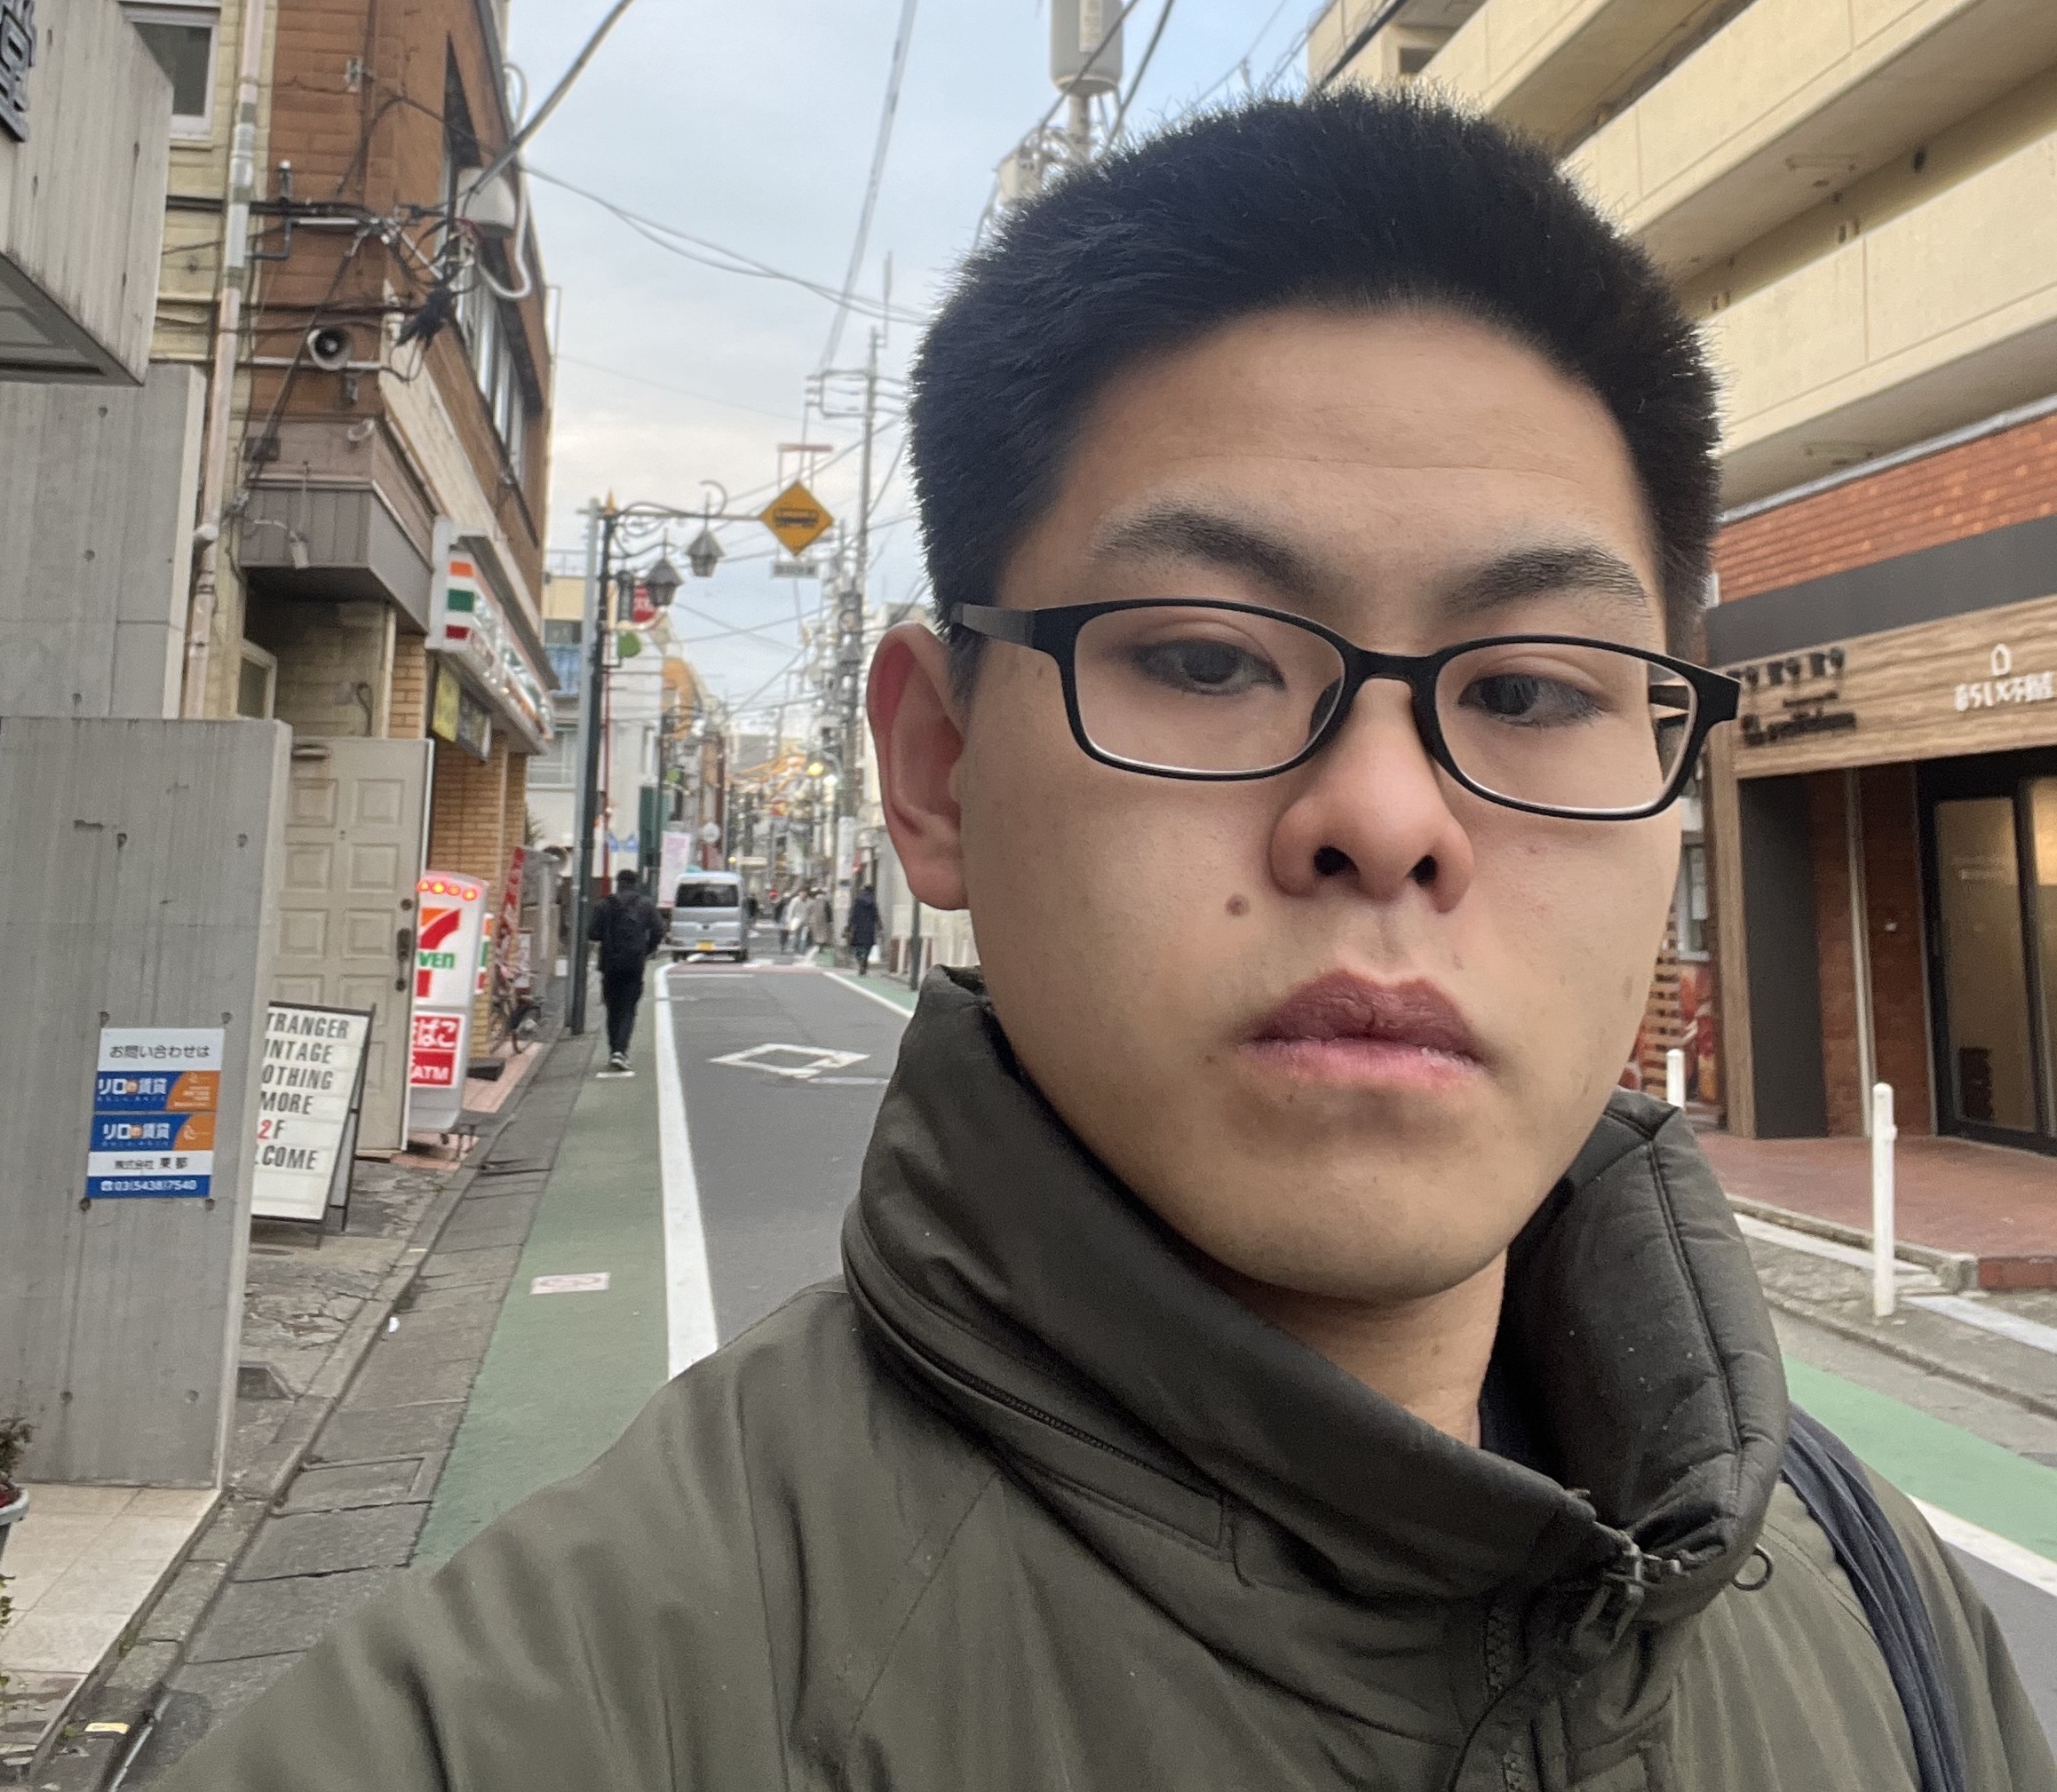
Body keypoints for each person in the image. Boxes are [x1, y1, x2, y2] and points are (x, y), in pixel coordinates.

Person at [172, 93, 2055, 1789]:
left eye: (1533, 687)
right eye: (1211, 657)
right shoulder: (526, 1723)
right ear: (937, 767)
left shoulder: (1886, 1619)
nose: (1385, 812)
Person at [586, 872, 663, 1074]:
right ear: (635, 883)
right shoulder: (645, 904)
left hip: (610, 962)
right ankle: (621, 1051)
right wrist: (646, 949)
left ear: (618, 883)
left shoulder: (604, 905)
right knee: (628, 1008)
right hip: (634, 963)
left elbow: (592, 933)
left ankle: (614, 1050)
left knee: (613, 1008)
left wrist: (608, 935)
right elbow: (659, 930)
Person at [846, 878, 879, 977]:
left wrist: (849, 926)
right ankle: (864, 961)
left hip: (859, 927)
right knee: (868, 946)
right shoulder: (873, 902)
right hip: (870, 928)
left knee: (857, 947)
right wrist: (879, 926)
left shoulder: (858, 901)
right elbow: (876, 916)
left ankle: (860, 960)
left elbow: (853, 914)